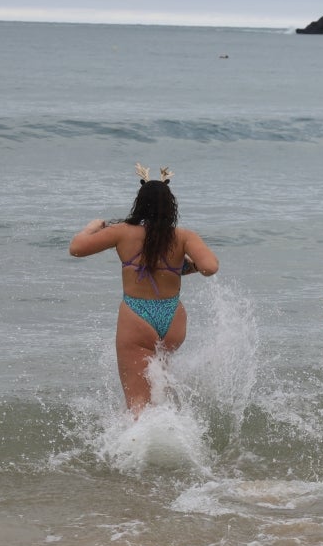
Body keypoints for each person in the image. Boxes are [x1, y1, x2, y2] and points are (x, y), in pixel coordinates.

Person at [69, 164, 219, 414]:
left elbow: (76, 248)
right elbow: (210, 267)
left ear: (139, 203)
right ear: (171, 206)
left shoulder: (121, 232)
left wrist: (93, 226)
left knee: (137, 405)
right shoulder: (183, 236)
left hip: (136, 316)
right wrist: (182, 268)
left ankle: (143, 446)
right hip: (172, 319)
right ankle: (172, 435)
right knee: (159, 392)